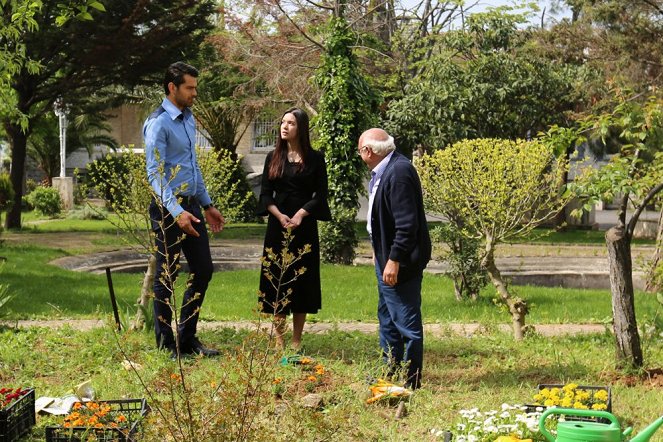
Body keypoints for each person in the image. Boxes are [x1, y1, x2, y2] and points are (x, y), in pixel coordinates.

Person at [144, 61, 225, 358]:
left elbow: (192, 167)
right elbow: (155, 174)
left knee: (203, 269)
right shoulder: (158, 123)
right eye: (189, 87)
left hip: (191, 206)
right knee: (167, 275)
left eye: (195, 87)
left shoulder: (188, 119)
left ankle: (187, 339)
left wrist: (207, 204)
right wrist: (177, 211)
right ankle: (167, 346)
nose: (194, 93)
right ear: (172, 87)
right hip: (168, 209)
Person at [358, 128, 431, 389]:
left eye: (359, 150)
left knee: (406, 322)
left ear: (368, 151)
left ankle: (411, 382)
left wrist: (394, 260)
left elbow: (407, 224)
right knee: (388, 318)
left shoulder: (398, 173)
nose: (359, 155)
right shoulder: (386, 170)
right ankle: (388, 374)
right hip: (386, 258)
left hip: (400, 263)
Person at [257, 107, 331, 350]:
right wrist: (279, 216)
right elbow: (266, 193)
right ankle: (279, 341)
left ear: (301, 128)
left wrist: (300, 215)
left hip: (304, 226)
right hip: (278, 226)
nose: (284, 126)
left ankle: (296, 341)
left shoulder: (316, 158)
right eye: (282, 122)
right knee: (277, 279)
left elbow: (321, 195)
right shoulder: (273, 157)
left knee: (302, 281)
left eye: (290, 123)